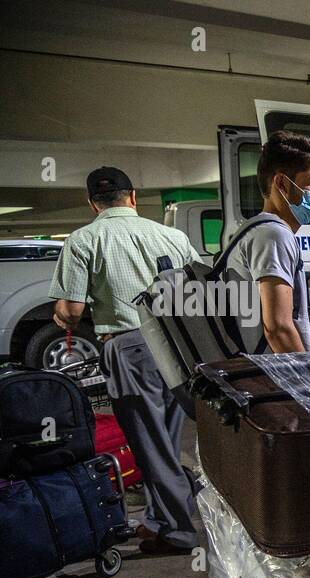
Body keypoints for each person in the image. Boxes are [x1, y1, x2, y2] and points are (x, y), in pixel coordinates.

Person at [48, 167, 202, 556]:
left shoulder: (84, 240)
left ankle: (180, 532)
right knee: (165, 438)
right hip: (179, 347)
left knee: (151, 446)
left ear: (92, 203)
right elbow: (199, 292)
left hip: (130, 347)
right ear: (132, 197)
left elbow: (71, 310)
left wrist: (62, 317)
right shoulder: (172, 236)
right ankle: (160, 521)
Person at [222, 130, 310, 353]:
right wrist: (307, 379)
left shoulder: (255, 230)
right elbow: (278, 328)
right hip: (273, 376)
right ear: (281, 183)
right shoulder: (274, 235)